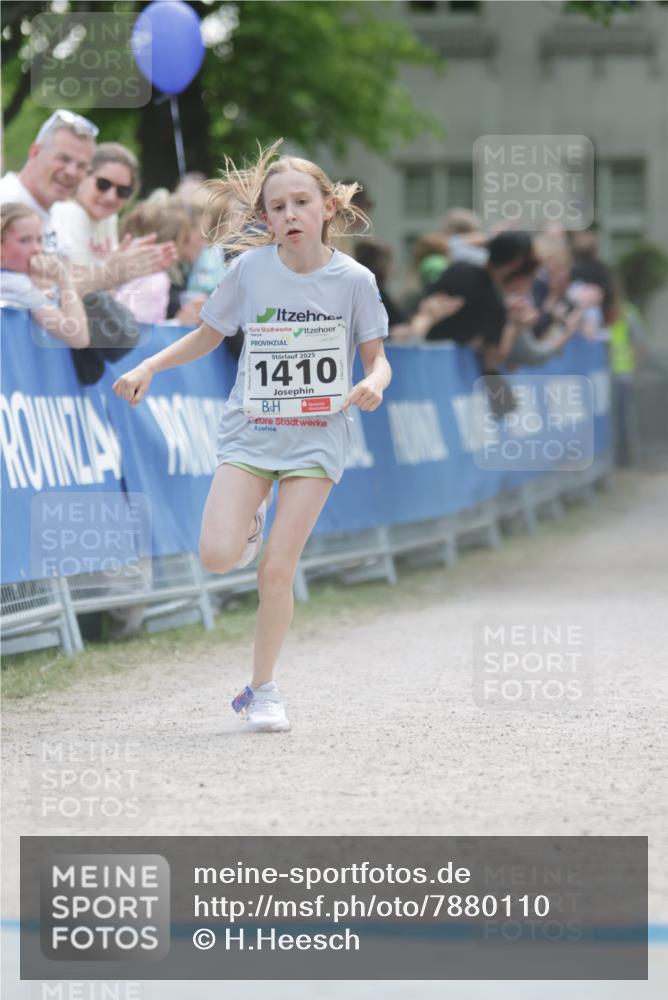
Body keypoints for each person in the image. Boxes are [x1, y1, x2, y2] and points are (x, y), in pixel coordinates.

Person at [112, 140, 391, 734]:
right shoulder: (249, 271)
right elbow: (207, 335)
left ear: (327, 207)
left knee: (275, 571)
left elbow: (378, 359)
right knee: (216, 556)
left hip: (316, 438)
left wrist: (373, 383)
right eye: (277, 207)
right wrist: (149, 366)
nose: (290, 215)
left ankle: (263, 690)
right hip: (253, 431)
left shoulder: (355, 280)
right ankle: (250, 520)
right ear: (265, 217)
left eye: (301, 202)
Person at [0, 109, 175, 295]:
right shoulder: (6, 202)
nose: (71, 172)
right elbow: (41, 295)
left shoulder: (54, 209)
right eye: (63, 158)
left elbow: (62, 283)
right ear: (35, 152)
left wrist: (118, 266)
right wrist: (109, 274)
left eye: (81, 165)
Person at [0, 202, 89, 348]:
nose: (36, 249)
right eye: (24, 240)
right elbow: (78, 337)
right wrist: (64, 279)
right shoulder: (16, 284)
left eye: (39, 240)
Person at [50, 142, 139, 266]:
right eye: (103, 184)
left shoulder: (109, 219)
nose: (111, 197)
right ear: (84, 176)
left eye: (122, 191)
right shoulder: (64, 214)